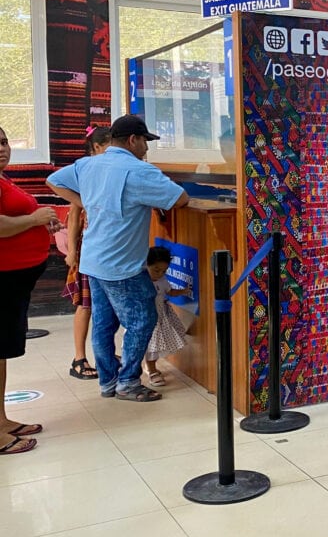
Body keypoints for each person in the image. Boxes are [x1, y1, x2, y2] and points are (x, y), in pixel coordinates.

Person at [46, 115, 189, 402]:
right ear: (133, 140)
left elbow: (53, 180)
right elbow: (180, 199)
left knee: (103, 323)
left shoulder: (89, 164)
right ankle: (128, 382)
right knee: (142, 320)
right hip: (121, 264)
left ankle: (108, 382)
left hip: (93, 259)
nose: (146, 149)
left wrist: (84, 200)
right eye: (145, 142)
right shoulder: (138, 171)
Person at [0, 126, 60, 454]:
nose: (2, 148)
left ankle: (2, 420)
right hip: (3, 279)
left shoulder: (4, 179)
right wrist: (35, 219)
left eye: (5, 141)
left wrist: (38, 221)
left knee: (2, 353)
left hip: (13, 281)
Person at [64, 125, 112, 380]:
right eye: (109, 147)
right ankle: (79, 358)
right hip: (88, 247)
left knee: (104, 305)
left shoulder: (109, 170)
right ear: (96, 147)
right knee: (86, 304)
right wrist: (72, 250)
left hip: (106, 246)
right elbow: (74, 217)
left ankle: (105, 352)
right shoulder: (85, 171)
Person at [143, 246, 189, 386]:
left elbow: (170, 292)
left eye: (163, 271)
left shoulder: (163, 281)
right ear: (146, 265)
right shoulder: (141, 280)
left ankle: (151, 368)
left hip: (160, 317)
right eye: (156, 270)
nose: (159, 274)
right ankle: (151, 370)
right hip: (145, 318)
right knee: (148, 346)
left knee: (154, 346)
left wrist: (183, 291)